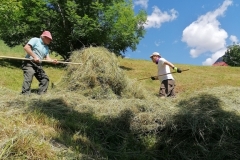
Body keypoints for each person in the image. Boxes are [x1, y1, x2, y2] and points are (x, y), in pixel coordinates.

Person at [21, 31, 58, 95]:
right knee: (29, 77)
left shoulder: (46, 47)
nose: (50, 40)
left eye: (50, 39)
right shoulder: (35, 40)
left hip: (38, 65)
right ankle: (25, 95)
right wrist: (34, 56)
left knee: (45, 79)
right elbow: (26, 47)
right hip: (29, 62)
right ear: (43, 37)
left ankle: (42, 94)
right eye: (49, 39)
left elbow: (47, 58)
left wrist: (52, 61)